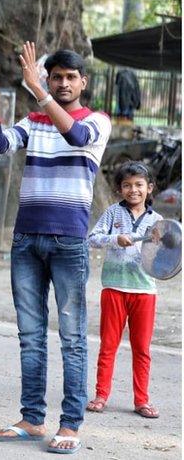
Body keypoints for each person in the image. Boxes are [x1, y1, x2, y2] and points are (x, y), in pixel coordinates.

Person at [0, 42, 112, 454]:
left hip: (69, 240)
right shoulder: (34, 121)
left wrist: (41, 93)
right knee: (30, 336)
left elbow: (77, 134)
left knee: (71, 336)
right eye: (56, 77)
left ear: (83, 83)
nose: (63, 83)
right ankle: (32, 419)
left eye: (70, 78)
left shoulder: (97, 121)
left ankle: (69, 424)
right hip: (26, 239)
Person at [86, 162, 162, 419]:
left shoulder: (157, 221)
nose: (133, 190)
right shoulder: (111, 214)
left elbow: (166, 256)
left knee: (142, 348)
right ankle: (101, 394)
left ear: (149, 188)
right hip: (114, 289)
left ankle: (142, 400)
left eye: (139, 185)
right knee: (109, 344)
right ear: (120, 189)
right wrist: (113, 239)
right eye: (127, 185)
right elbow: (92, 239)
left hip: (145, 291)